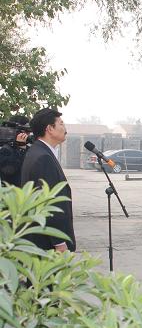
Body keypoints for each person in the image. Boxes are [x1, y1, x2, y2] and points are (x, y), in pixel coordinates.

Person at [20, 108, 75, 252]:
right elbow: (47, 201)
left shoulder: (37, 151)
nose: (65, 128)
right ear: (50, 129)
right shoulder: (43, 157)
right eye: (61, 124)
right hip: (47, 244)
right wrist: (59, 242)